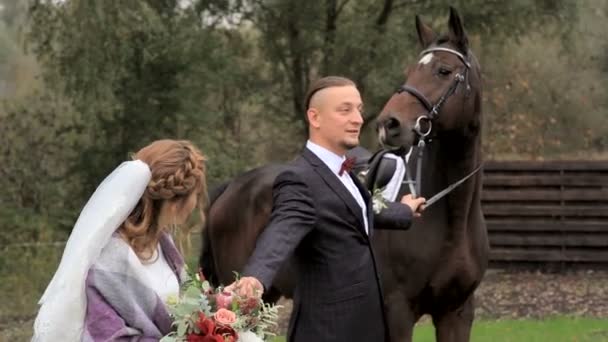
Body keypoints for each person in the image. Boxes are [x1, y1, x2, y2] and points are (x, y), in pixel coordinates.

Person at [226, 76, 426, 342]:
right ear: (315, 117)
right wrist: (256, 277)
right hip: (328, 330)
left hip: (367, 326)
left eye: (359, 110)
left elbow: (356, 214)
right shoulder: (299, 178)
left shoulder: (347, 171)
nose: (357, 119)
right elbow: (284, 228)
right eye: (345, 110)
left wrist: (403, 210)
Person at [32, 139, 207, 341]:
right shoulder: (105, 265)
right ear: (175, 203)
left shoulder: (164, 245)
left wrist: (229, 300)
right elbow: (107, 336)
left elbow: (185, 310)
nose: (196, 203)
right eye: (196, 194)